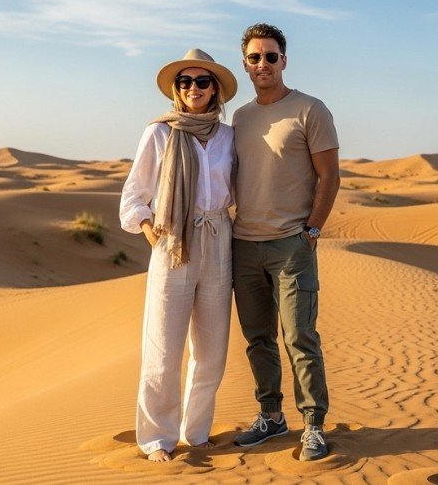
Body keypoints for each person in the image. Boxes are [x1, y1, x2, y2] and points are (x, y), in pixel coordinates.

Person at [119, 49, 238, 462]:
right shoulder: (159, 133)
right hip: (173, 240)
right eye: (185, 82)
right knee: (163, 347)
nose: (193, 89)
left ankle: (197, 431)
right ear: (176, 89)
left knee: (211, 349)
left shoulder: (228, 136)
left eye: (202, 81)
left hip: (219, 236)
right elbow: (134, 197)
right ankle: (157, 440)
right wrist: (157, 237)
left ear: (215, 88)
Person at [231, 23, 340, 462]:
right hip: (243, 244)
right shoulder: (238, 117)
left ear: (284, 60)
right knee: (257, 339)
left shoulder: (310, 109)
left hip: (292, 244)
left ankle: (313, 425)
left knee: (299, 337)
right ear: (245, 64)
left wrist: (312, 231)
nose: (263, 65)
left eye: (270, 56)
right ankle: (271, 416)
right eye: (255, 58)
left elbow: (329, 176)